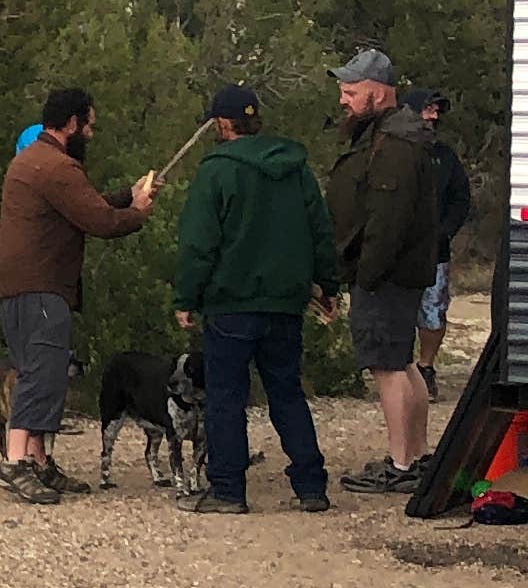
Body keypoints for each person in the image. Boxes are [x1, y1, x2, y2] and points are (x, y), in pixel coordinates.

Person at [168, 83, 335, 514]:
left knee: (227, 396)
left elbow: (198, 243)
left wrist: (186, 296)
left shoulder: (216, 171)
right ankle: (311, 486)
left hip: (231, 301)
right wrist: (328, 286)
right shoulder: (295, 168)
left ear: (221, 124)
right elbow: (320, 231)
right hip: (284, 301)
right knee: (286, 391)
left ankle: (228, 489)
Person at [0, 86, 156, 501]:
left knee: (39, 370)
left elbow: (86, 204)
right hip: (42, 288)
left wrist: (126, 196)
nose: (91, 134)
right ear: (72, 124)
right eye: (89, 125)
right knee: (41, 373)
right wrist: (136, 214)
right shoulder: (58, 167)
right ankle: (14, 464)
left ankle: (38, 462)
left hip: (19, 289)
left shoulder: (32, 162)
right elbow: (100, 221)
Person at [324, 51, 442, 494]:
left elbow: (388, 220)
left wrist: (366, 274)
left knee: (387, 366)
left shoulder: (394, 144)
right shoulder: (392, 135)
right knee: (402, 363)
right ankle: (416, 455)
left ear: (376, 92)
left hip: (386, 275)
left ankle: (401, 462)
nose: (343, 100)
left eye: (351, 92)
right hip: (398, 273)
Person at [409, 89, 473, 396]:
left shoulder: (445, 156)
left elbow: (461, 198)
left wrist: (445, 230)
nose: (433, 117)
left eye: (436, 111)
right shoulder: (392, 151)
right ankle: (399, 372)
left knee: (433, 312)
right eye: (427, 110)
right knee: (397, 310)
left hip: (435, 251)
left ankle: (426, 367)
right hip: (395, 251)